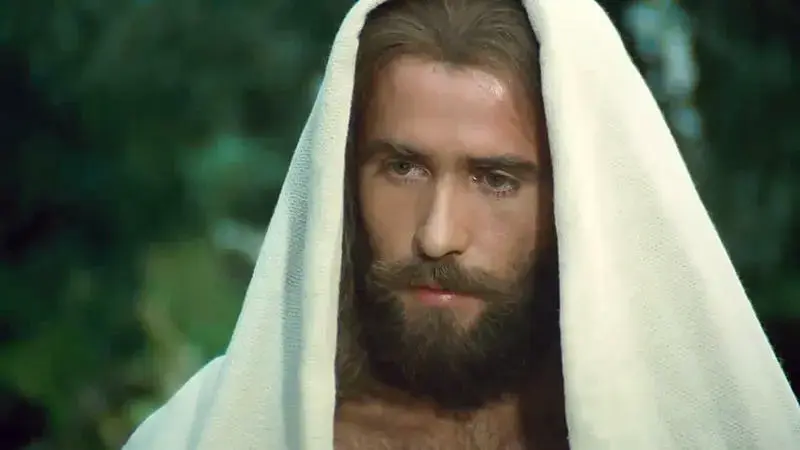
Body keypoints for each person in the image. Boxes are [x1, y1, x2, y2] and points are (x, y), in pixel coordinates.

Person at [123, 0, 800, 449]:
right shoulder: (201, 435)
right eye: (403, 168)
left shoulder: (705, 432)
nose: (438, 235)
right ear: (344, 175)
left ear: (577, 200)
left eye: (495, 179)